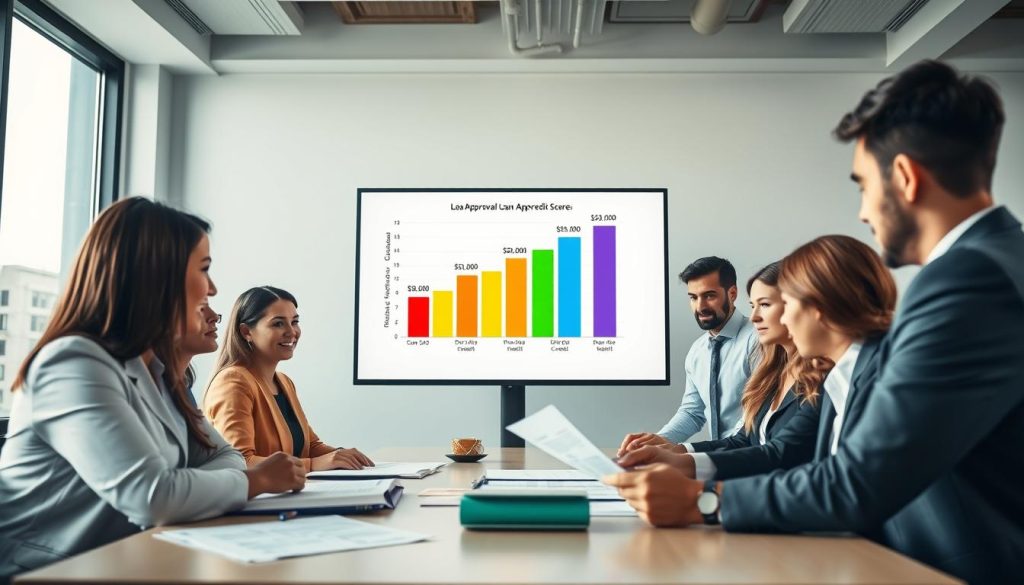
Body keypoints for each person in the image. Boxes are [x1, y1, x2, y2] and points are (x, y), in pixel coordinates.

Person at [608, 61, 1024, 584]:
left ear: (904, 178)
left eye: (863, 185)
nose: (863, 213)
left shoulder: (967, 280)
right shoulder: (1005, 261)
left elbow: (859, 481)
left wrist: (704, 502)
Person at [0, 198, 306, 580]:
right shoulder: (73, 363)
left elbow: (223, 456)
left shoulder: (155, 370)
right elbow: (153, 497)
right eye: (204, 270)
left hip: (133, 559)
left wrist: (208, 482)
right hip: (51, 570)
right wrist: (255, 481)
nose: (212, 288)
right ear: (158, 277)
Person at [618, 261, 830, 481]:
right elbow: (732, 432)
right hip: (744, 478)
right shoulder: (769, 370)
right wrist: (671, 448)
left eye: (765, 304)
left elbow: (777, 452)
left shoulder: (761, 344)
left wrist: (693, 473)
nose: (755, 316)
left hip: (760, 485)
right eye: (693, 297)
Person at [204, 286, 373, 471]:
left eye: (295, 322)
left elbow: (310, 446)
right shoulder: (233, 382)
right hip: (259, 498)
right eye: (278, 323)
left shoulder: (284, 382)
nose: (292, 332)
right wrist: (314, 465)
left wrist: (342, 456)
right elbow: (239, 463)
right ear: (246, 332)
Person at [619, 257, 759, 452]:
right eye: (693, 297)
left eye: (709, 296)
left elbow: (752, 420)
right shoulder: (697, 351)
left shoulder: (758, 340)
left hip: (750, 459)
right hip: (720, 462)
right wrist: (658, 440)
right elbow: (692, 412)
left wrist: (689, 451)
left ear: (732, 293)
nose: (700, 307)